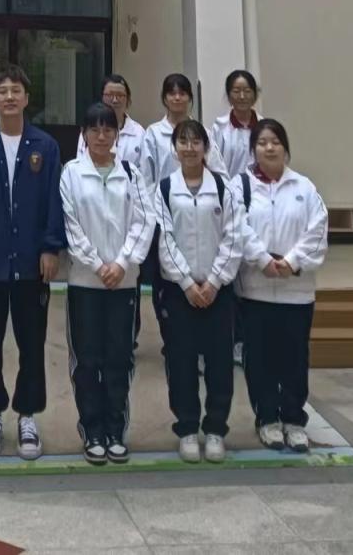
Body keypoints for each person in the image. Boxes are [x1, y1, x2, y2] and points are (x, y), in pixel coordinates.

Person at [0, 64, 66, 462]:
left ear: (26, 98)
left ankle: (27, 415)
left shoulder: (45, 147)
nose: (9, 97)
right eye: (2, 91)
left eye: (15, 90)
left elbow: (54, 200)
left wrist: (51, 248)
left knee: (31, 343)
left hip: (32, 264)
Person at [61, 102, 153, 465]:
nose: (102, 136)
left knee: (119, 358)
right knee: (87, 360)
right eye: (94, 129)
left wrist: (122, 262)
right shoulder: (71, 173)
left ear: (117, 134)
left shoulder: (131, 173)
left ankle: (116, 429)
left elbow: (144, 221)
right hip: (85, 282)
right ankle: (92, 429)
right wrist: (99, 265)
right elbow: (70, 224)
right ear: (84, 134)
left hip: (123, 284)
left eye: (108, 129)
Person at [153, 118, 243, 464]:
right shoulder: (163, 189)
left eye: (195, 142)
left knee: (220, 363)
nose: (189, 148)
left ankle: (216, 428)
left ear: (206, 148)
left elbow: (233, 237)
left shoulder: (223, 188)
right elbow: (165, 241)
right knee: (181, 362)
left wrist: (215, 281)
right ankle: (188, 428)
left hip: (218, 292)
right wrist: (188, 283)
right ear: (174, 149)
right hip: (180, 292)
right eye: (183, 141)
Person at [238, 118, 328, 453]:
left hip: (296, 292)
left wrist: (291, 262)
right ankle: (267, 419)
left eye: (275, 142)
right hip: (256, 290)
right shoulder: (240, 187)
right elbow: (237, 228)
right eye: (262, 142)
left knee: (294, 358)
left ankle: (293, 418)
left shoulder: (304, 188)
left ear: (285, 148)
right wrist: (262, 260)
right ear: (253, 149)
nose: (269, 148)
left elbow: (317, 230)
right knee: (259, 359)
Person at [76, 75, 144, 165]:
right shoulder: (90, 130)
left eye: (120, 95)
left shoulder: (139, 132)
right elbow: (81, 163)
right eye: (110, 95)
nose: (115, 100)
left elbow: (144, 169)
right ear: (102, 97)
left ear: (127, 99)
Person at [209, 70, 262, 178]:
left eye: (247, 91)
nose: (242, 96)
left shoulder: (263, 126)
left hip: (259, 187)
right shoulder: (220, 127)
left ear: (255, 95)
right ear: (229, 96)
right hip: (228, 186)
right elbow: (214, 164)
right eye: (236, 91)